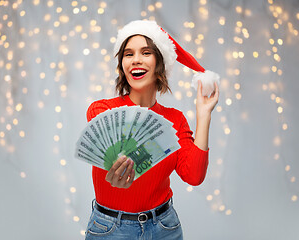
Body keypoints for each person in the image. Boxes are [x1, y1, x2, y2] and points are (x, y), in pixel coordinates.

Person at [84, 20, 219, 240]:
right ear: (122, 66)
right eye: (128, 54)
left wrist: (204, 115)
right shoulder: (102, 109)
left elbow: (194, 176)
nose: (136, 59)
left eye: (146, 52)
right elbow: (113, 148)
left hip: (164, 228)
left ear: (160, 64)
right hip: (110, 230)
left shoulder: (175, 120)